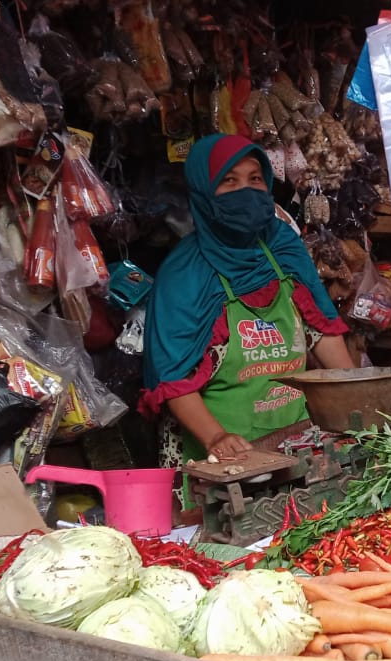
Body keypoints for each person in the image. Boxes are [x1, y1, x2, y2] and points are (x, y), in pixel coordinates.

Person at [139, 133, 353, 463]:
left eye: (255, 179)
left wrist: (360, 397)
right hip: (213, 454)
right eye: (229, 180)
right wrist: (217, 437)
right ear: (205, 191)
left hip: (293, 440)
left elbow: (320, 329)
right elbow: (172, 377)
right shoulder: (183, 275)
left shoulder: (282, 247)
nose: (247, 191)